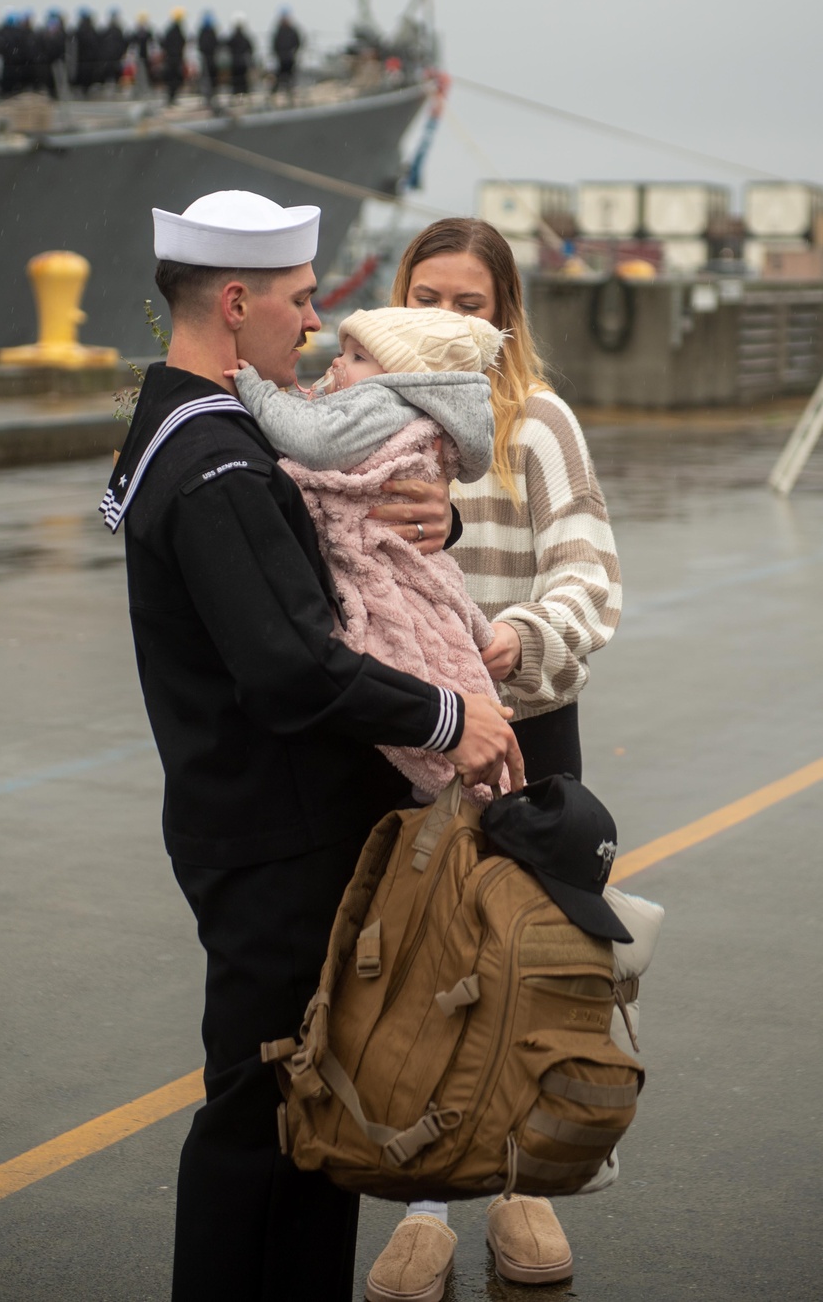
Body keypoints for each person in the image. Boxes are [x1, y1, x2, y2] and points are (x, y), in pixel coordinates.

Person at [99, 190, 524, 1302]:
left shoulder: (194, 433)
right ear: (235, 303)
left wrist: (444, 525)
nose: (316, 321)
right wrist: (447, 714)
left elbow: (336, 563)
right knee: (262, 1120)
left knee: (307, 1116)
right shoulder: (222, 468)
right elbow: (288, 665)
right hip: (276, 843)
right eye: (297, 299)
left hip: (256, 824)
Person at [360, 215, 623, 1295]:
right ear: (397, 298)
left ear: (504, 318)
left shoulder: (536, 424)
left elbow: (590, 574)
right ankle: (424, 1202)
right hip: (399, 734)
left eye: (471, 303)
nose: (447, 317)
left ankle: (521, 1188)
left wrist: (511, 641)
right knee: (418, 973)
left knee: (526, 967)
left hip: (523, 724)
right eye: (429, 295)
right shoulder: (361, 419)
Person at [229, 305, 511, 799]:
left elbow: (313, 441)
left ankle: (445, 757)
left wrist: (254, 391)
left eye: (358, 356)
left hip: (377, 561)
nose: (339, 363)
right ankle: (460, 769)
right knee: (435, 652)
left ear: (405, 377)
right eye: (342, 351)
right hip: (409, 564)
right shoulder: (399, 407)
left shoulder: (382, 403)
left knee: (400, 655)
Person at [270, 8, 301, 97]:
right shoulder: (279, 31)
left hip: (289, 58)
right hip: (281, 59)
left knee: (290, 77)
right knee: (279, 76)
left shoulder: (292, 31)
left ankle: (290, 92)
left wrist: (293, 52)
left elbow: (297, 43)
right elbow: (275, 45)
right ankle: (275, 93)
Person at [161, 8, 187, 103]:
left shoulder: (170, 30)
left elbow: (164, 43)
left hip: (171, 58)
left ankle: (171, 98)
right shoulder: (178, 31)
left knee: (172, 79)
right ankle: (171, 98)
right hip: (175, 59)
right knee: (175, 79)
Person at [225, 12, 254, 98]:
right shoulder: (244, 38)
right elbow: (251, 49)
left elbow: (226, 46)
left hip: (234, 62)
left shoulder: (232, 38)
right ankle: (244, 94)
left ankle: (236, 94)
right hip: (242, 62)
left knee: (236, 80)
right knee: (242, 80)